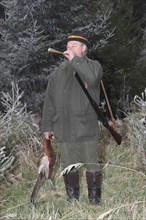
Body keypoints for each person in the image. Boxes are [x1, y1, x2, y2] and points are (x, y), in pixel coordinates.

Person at [42, 31, 103, 205]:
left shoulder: (94, 66)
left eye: (73, 46)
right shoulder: (58, 72)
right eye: (68, 46)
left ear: (84, 49)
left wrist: (75, 61)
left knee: (92, 164)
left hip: (86, 126)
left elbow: (91, 78)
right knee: (68, 164)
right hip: (63, 126)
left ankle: (94, 201)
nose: (68, 49)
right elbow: (50, 101)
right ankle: (73, 198)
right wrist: (47, 126)